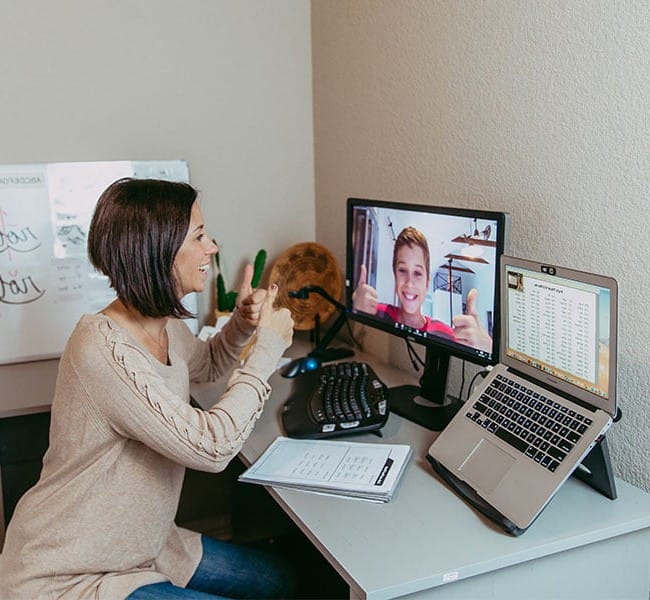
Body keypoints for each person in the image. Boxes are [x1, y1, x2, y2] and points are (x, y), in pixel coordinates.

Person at [0, 178, 296, 600]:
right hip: (69, 575)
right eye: (198, 236)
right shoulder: (101, 347)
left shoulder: (164, 325)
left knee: (277, 580)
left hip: (142, 547)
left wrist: (243, 327)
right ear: (157, 250)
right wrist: (265, 350)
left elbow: (209, 364)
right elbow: (212, 449)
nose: (212, 247)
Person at [352, 226, 492, 352]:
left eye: (418, 273)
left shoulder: (445, 334)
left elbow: (476, 347)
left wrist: (486, 346)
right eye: (402, 270)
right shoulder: (376, 312)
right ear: (395, 275)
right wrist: (356, 310)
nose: (409, 283)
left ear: (427, 283)